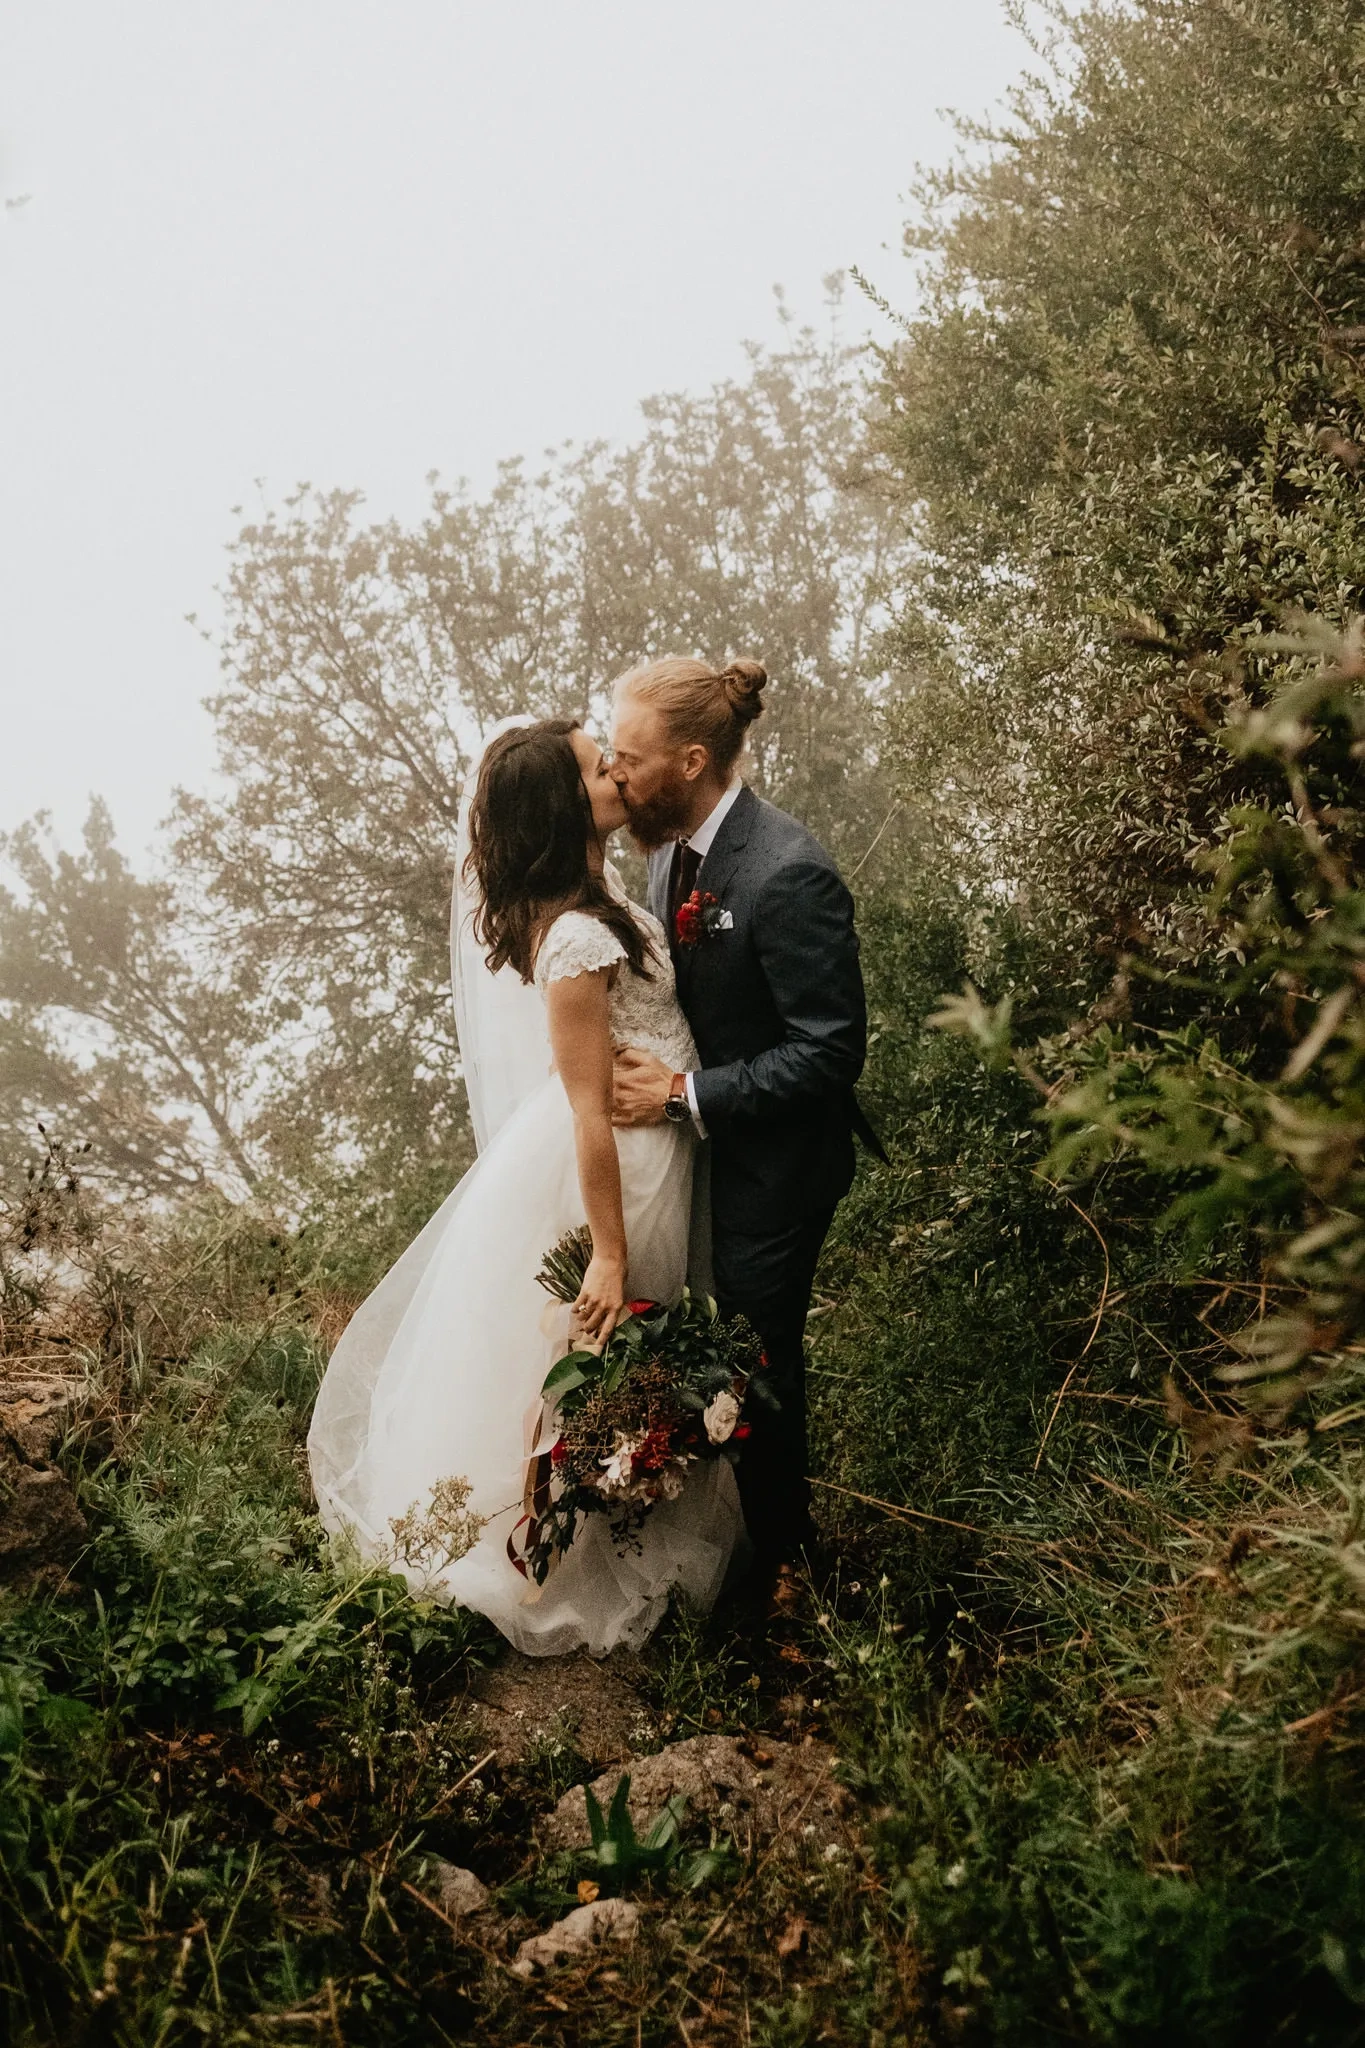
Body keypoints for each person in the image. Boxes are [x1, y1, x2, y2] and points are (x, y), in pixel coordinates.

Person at [307, 716, 742, 1657]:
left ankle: (624, 1517)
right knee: (593, 1351)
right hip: (615, 1168)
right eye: (597, 768)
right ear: (562, 802)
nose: (618, 772)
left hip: (656, 1142)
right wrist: (611, 1249)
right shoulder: (575, 938)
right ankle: (561, 1549)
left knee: (629, 1355)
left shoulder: (603, 894)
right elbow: (588, 1112)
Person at [609, 658, 870, 1598]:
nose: (614, 771)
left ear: (689, 760)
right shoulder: (662, 847)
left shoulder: (788, 873)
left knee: (759, 1366)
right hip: (704, 1155)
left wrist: (683, 1095)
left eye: (629, 757)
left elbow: (830, 1054)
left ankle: (790, 1578)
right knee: (716, 1351)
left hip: (779, 1166)